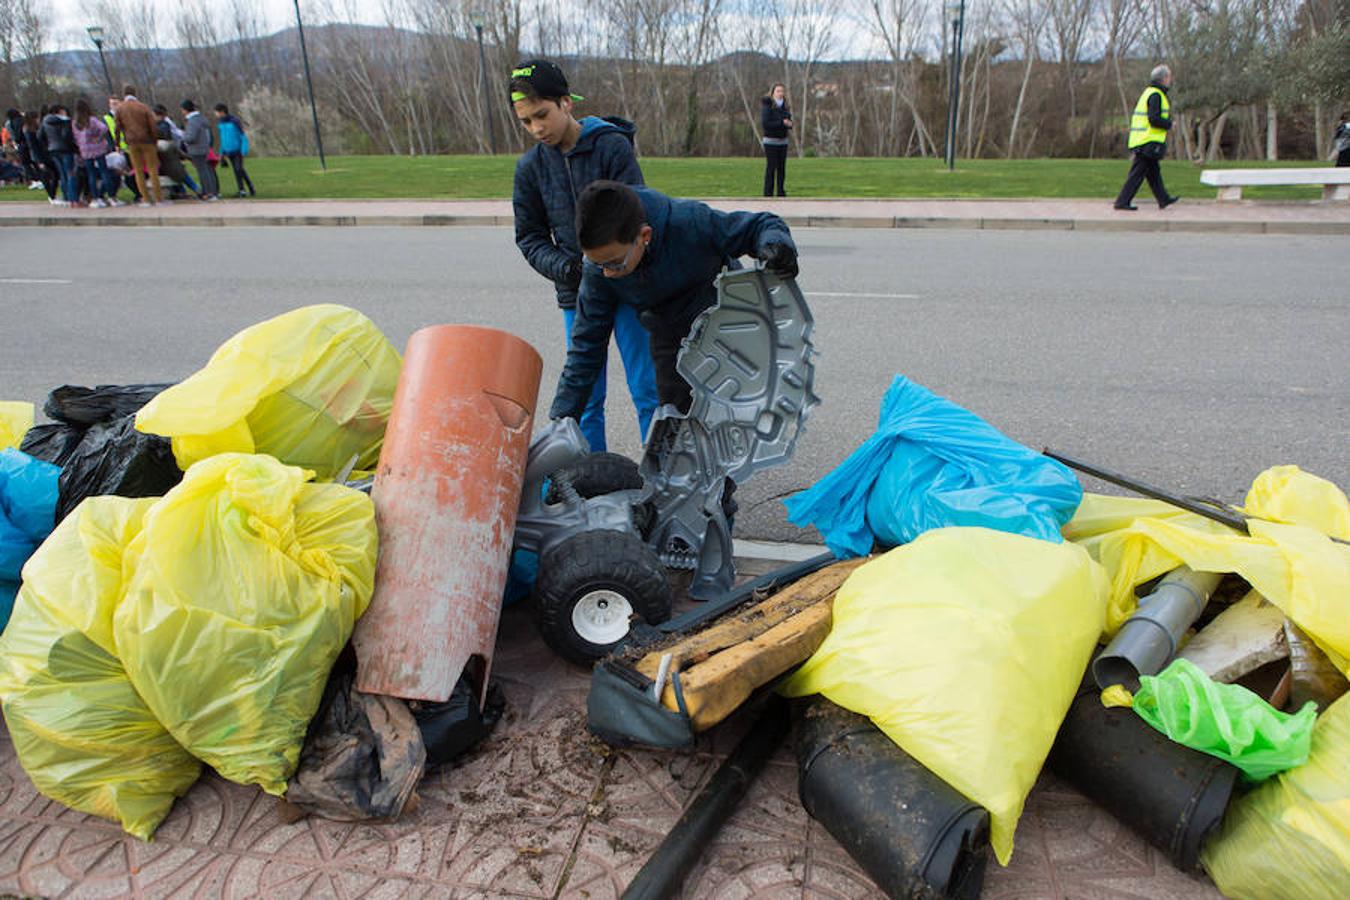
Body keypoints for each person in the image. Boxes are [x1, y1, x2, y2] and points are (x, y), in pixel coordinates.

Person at [550, 180, 798, 428]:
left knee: (733, 420)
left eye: (614, 263)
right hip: (668, 331)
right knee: (678, 425)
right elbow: (585, 349)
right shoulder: (599, 272)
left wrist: (776, 247)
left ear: (644, 236)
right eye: (598, 264)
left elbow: (760, 225)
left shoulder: (690, 222)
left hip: (727, 322)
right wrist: (562, 419)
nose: (608, 274)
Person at [510, 58, 658, 452]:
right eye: (526, 122)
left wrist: (615, 262)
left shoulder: (611, 146)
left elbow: (637, 211)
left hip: (627, 286)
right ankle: (593, 487)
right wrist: (571, 269)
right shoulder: (529, 169)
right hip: (576, 293)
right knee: (587, 398)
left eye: (542, 115)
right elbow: (529, 237)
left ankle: (663, 482)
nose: (536, 128)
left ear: (566, 103)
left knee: (648, 389)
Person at [1114, 64, 1180, 211]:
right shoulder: (1156, 95)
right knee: (1138, 173)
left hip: (1143, 139)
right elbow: (1154, 119)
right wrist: (1170, 124)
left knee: (1153, 172)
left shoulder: (1150, 92)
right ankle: (1122, 202)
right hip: (1147, 140)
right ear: (1163, 78)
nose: (1170, 80)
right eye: (1169, 77)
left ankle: (1163, 199)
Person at [114, 86, 162, 206]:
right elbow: (153, 126)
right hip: (147, 141)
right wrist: (154, 140)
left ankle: (145, 199)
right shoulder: (143, 107)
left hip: (132, 143)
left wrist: (117, 143)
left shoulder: (120, 109)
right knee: (152, 170)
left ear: (124, 94)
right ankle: (158, 199)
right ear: (135, 93)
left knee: (138, 171)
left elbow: (117, 128)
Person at [71, 98, 112, 208]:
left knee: (91, 175)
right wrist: (98, 138)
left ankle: (95, 198)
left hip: (85, 150)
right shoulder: (92, 120)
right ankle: (110, 195)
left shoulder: (75, 123)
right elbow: (104, 128)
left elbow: (75, 137)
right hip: (98, 149)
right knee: (104, 172)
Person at [42, 103, 80, 206]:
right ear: (59, 111)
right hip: (65, 149)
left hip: (53, 149)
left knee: (62, 175)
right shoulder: (64, 121)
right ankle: (74, 198)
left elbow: (41, 136)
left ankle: (66, 197)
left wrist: (48, 145)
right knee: (70, 174)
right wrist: (75, 148)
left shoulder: (45, 121)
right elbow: (67, 136)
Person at [214, 103, 255, 197]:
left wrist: (244, 150)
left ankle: (242, 190)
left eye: (216, 112)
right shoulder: (220, 123)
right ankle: (250, 187)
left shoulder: (234, 121)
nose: (215, 114)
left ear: (222, 112)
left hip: (238, 150)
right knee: (239, 170)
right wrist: (222, 152)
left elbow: (242, 136)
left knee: (238, 169)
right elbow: (223, 138)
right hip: (228, 151)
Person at [180, 99, 218, 199]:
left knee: (202, 172)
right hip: (204, 148)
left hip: (196, 149)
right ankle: (212, 192)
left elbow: (190, 137)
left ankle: (208, 193)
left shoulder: (192, 121)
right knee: (207, 171)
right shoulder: (201, 118)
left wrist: (183, 136)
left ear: (186, 110)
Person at [761, 83, 792, 197]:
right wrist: (781, 123)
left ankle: (780, 191)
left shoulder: (785, 106)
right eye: (778, 91)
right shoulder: (767, 105)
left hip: (783, 141)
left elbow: (788, 119)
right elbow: (766, 123)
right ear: (773, 92)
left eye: (782, 91)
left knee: (781, 168)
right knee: (771, 167)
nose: (780, 93)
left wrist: (789, 124)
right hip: (770, 141)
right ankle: (768, 193)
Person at [22, 111, 58, 203]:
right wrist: (40, 161)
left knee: (52, 174)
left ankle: (52, 194)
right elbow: (33, 146)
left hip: (42, 154)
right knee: (48, 175)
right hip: (39, 156)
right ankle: (51, 195)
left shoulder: (34, 129)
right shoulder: (29, 131)